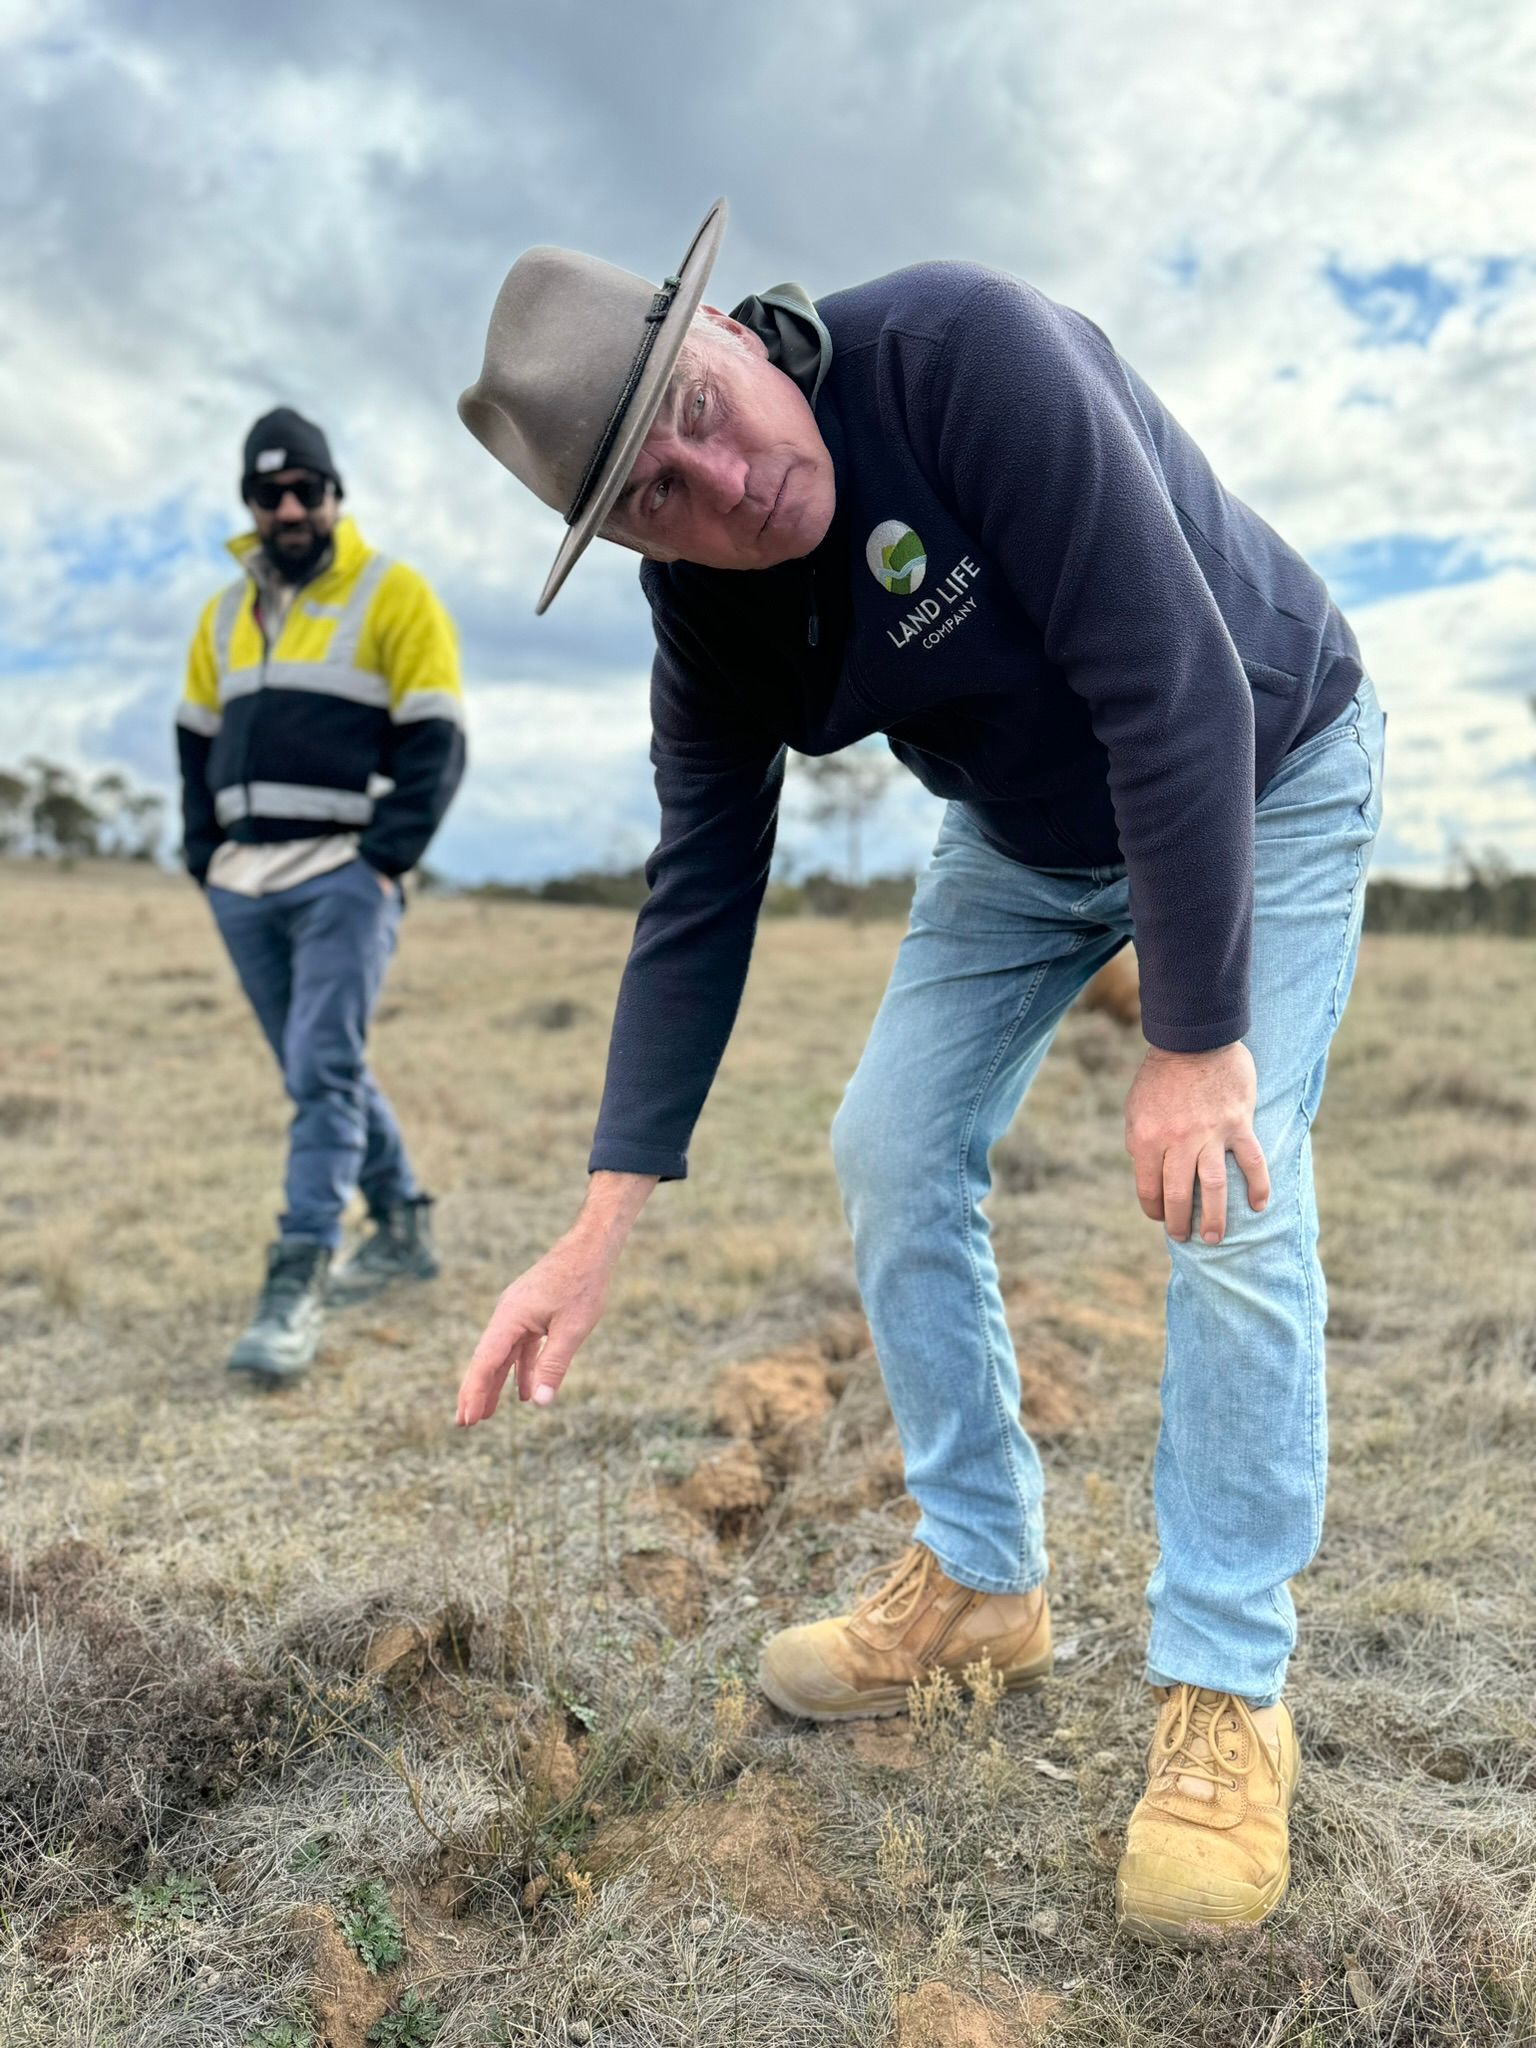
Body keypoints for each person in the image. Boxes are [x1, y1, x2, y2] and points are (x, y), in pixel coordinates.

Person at [453, 201, 1384, 1941]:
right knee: (887, 1138)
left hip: (1260, 753)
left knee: (1232, 1190)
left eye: (701, 411)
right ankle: (977, 1574)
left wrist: (1191, 1041)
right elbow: (700, 888)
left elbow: (1169, 678)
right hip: (1025, 842)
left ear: (725, 324)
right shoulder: (710, 623)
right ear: (620, 532)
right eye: (654, 491)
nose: (719, 484)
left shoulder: (960, 356)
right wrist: (598, 1221)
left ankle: (1226, 1684)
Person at [177, 408, 466, 1382]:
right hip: (243, 883)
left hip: (342, 873)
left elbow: (438, 736)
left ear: (336, 495)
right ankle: (404, 1224)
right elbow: (193, 737)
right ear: (251, 507)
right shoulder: (223, 613)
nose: (290, 505)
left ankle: (296, 1277)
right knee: (316, 1066)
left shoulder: (394, 592)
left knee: (323, 1067)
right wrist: (201, 852)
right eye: (270, 493)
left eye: (307, 487)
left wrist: (382, 858)